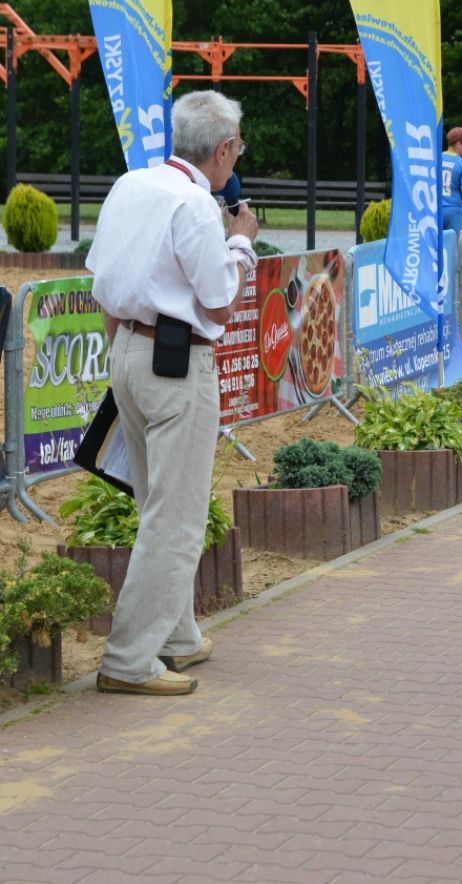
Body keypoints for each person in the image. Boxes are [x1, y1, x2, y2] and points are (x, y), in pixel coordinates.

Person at [86, 90, 258, 696]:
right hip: (178, 361)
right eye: (237, 148)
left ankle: (177, 635)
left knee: (157, 504)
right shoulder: (196, 204)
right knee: (176, 517)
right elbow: (221, 301)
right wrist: (242, 242)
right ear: (223, 149)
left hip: (128, 350)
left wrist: (122, 355)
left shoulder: (130, 184)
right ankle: (129, 659)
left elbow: (104, 279)